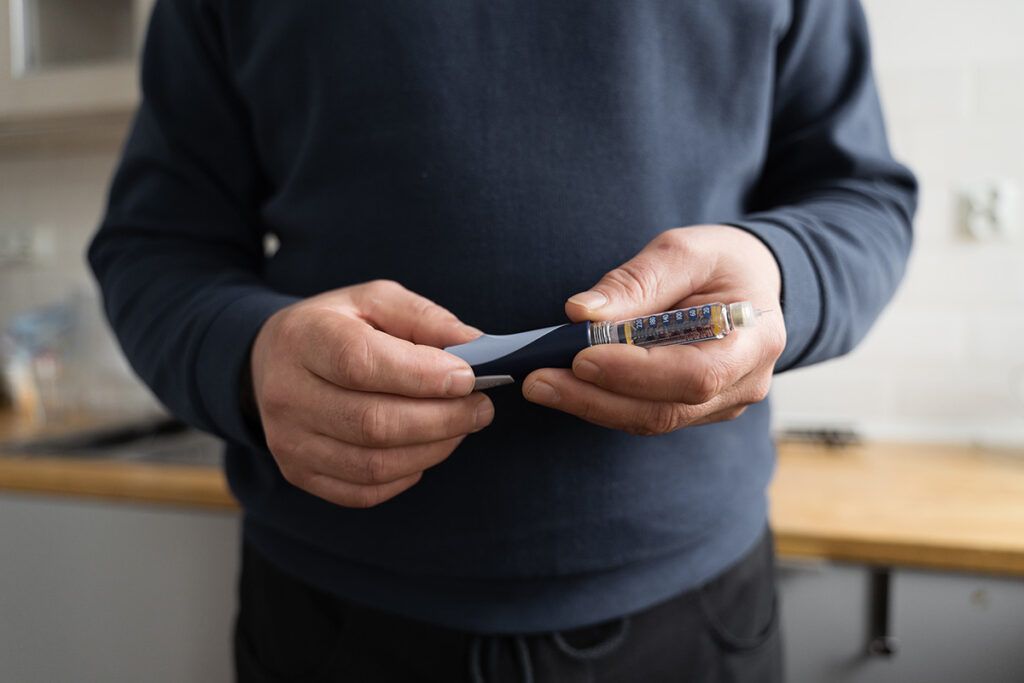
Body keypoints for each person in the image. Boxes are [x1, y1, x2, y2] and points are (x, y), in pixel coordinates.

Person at [89, 0, 915, 680]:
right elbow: (153, 247)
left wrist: (781, 273)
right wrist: (246, 353)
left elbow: (863, 200)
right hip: (332, 623)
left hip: (694, 620)